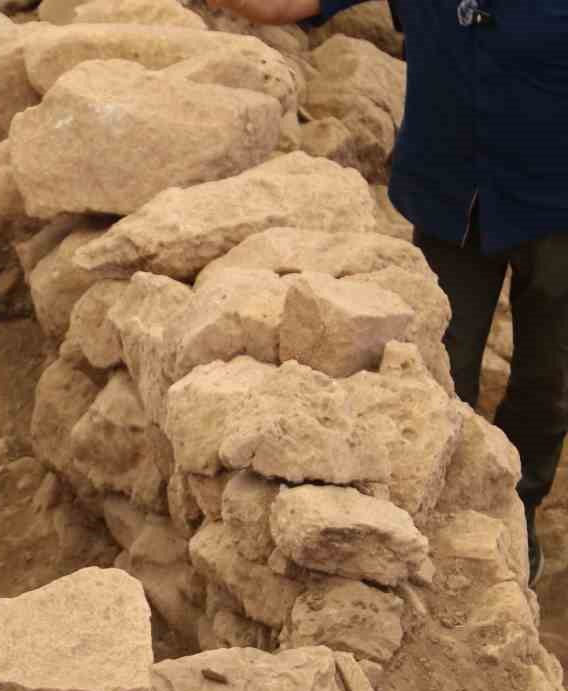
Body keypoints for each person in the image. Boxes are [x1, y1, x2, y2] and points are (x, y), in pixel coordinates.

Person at [209, 0, 567, 587]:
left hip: (558, 210)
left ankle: (520, 506)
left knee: (549, 382)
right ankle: (449, 513)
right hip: (452, 200)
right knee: (438, 370)